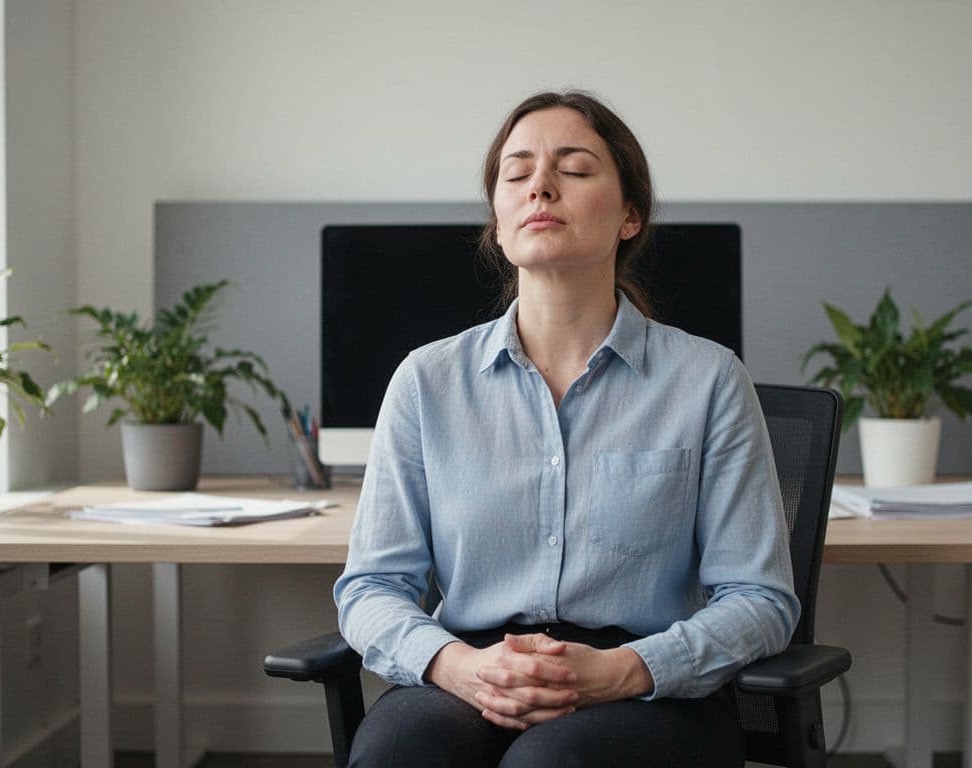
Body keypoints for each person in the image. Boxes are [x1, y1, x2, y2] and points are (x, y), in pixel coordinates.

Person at [333, 90, 800, 767]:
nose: (541, 187)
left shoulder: (707, 381)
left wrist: (622, 672)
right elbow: (371, 588)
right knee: (399, 750)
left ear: (630, 216)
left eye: (575, 170)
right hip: (473, 669)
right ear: (496, 221)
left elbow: (759, 599)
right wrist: (456, 665)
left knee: (553, 763)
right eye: (516, 173)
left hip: (648, 689)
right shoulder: (426, 382)